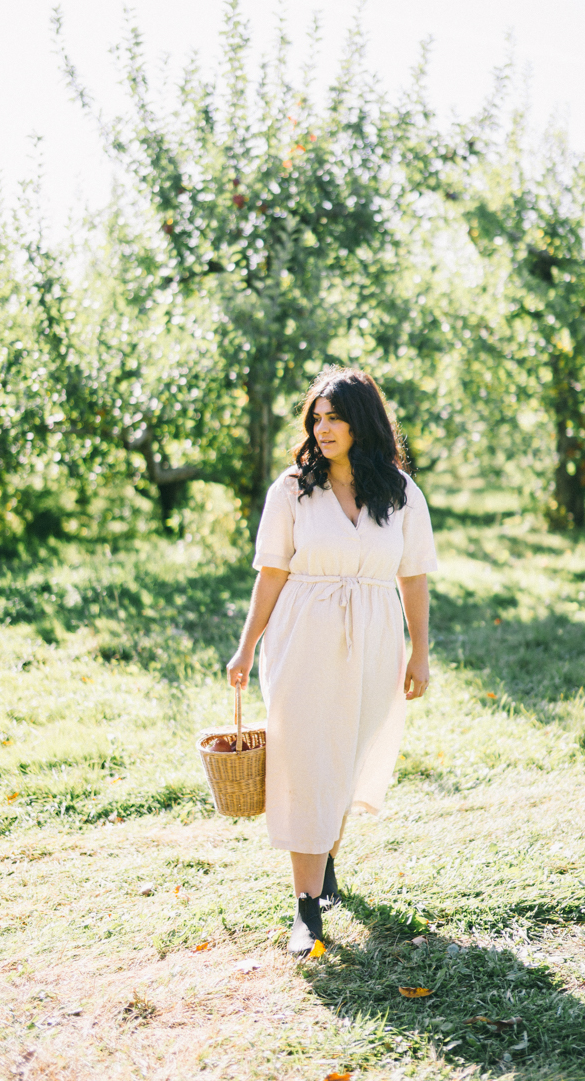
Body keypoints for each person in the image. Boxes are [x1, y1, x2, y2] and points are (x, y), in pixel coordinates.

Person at [226, 366, 437, 955]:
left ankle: (327, 866)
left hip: (374, 636)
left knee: (346, 754)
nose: (322, 429)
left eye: (335, 417)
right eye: (316, 418)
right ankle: (306, 913)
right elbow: (271, 574)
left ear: (361, 421)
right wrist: (246, 647)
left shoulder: (399, 492)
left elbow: (413, 576)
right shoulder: (292, 489)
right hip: (302, 635)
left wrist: (420, 653)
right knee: (305, 760)